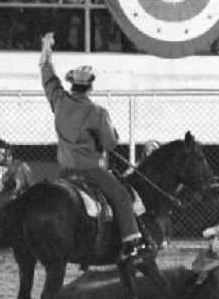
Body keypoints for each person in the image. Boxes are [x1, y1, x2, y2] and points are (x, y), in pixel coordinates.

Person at [39, 31, 150, 264]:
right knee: (120, 195)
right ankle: (132, 241)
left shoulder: (59, 101)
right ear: (90, 87)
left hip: (65, 170)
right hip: (92, 169)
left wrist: (47, 51)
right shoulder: (97, 112)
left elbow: (48, 78)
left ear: (71, 84)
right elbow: (110, 143)